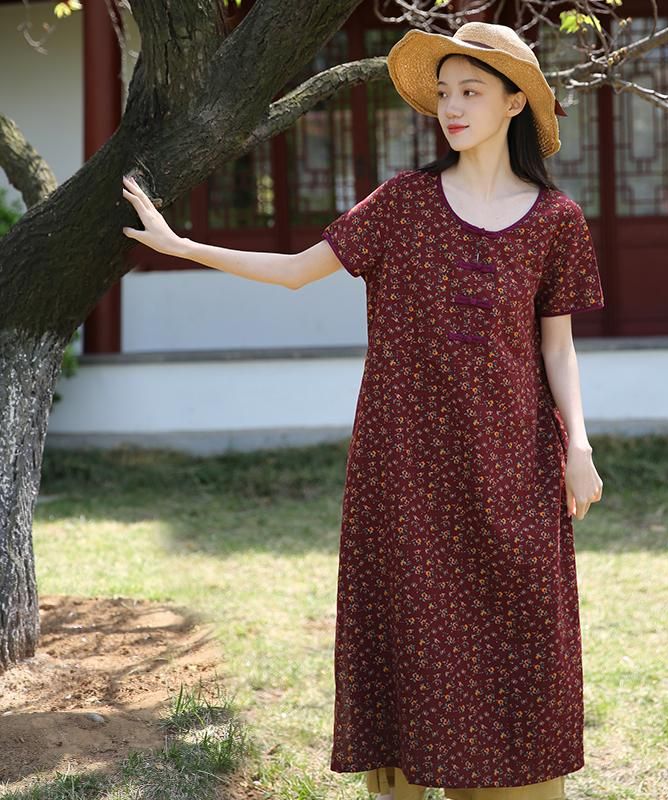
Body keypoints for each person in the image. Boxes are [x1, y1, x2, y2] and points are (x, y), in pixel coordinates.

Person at [121, 20, 605, 800]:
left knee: (519, 632)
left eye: (471, 91)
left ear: (516, 102)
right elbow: (293, 273)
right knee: (416, 638)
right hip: (404, 469)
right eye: (443, 92)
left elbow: (557, 349)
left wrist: (577, 445)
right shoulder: (401, 204)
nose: (451, 106)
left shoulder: (557, 221)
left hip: (515, 465)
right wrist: (182, 246)